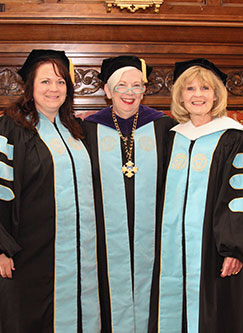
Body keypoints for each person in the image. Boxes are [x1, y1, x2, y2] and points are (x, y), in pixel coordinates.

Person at [0, 49, 100, 333]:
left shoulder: (77, 132)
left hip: (77, 257)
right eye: (46, 82)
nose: (54, 89)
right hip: (25, 256)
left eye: (61, 82)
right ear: (30, 87)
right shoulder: (6, 130)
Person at [149, 58, 243, 333]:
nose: (198, 95)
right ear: (180, 96)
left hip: (216, 254)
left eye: (205, 88)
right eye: (190, 88)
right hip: (170, 255)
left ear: (216, 94)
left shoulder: (235, 138)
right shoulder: (169, 137)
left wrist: (237, 250)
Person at [82, 55, 177, 332]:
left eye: (137, 86)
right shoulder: (86, 130)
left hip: (154, 236)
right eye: (121, 85)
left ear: (144, 90)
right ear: (107, 91)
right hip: (104, 239)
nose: (130, 93)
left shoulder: (165, 128)